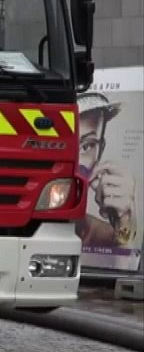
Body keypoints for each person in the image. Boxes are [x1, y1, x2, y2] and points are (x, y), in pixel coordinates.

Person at [77, 92, 137, 249]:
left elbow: (124, 262)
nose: (73, 160)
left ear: (100, 151)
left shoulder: (105, 237)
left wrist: (124, 218)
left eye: (86, 146)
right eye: (63, 143)